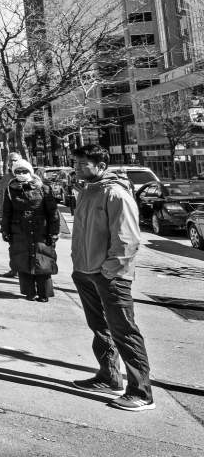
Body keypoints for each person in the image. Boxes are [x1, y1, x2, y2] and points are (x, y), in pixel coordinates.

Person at [68, 143, 154, 412]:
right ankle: (109, 376)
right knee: (100, 328)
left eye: (83, 164)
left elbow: (127, 239)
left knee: (124, 332)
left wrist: (110, 270)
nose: (77, 168)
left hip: (110, 276)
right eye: (76, 163)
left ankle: (141, 393)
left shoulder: (115, 193)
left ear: (101, 166)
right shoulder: (87, 190)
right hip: (85, 271)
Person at [0, 158, 59, 301]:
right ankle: (29, 292)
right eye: (18, 171)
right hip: (19, 230)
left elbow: (53, 212)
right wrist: (5, 230)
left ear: (30, 171)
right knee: (22, 261)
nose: (21, 174)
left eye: (24, 171)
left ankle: (44, 293)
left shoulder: (43, 188)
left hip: (41, 230)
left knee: (43, 261)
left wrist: (54, 232)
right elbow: (7, 211)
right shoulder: (11, 189)